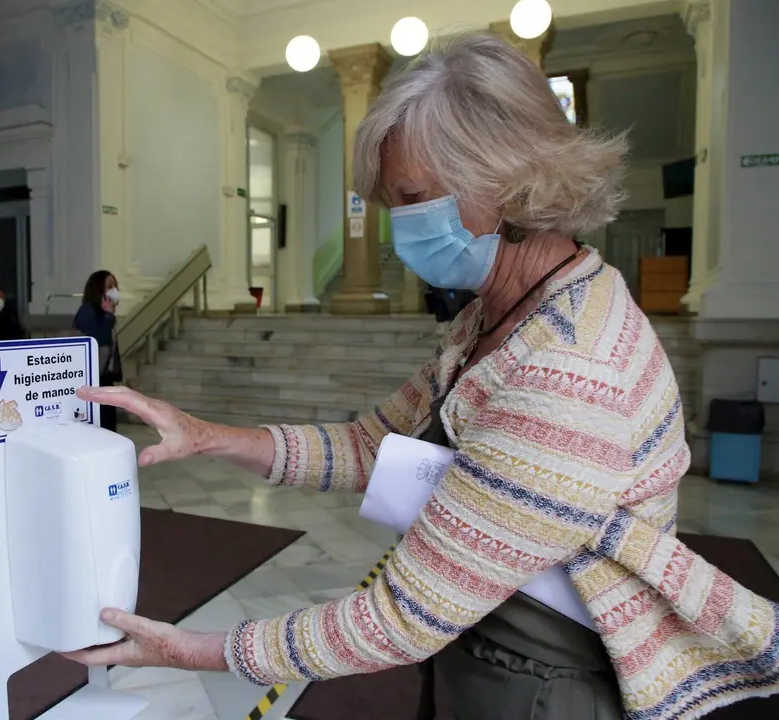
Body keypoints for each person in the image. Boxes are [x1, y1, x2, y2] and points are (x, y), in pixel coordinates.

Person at [63, 33, 779, 719]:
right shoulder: (501, 312)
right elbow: (376, 447)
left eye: (409, 199)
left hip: (541, 685)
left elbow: (399, 617)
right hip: (481, 641)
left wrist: (190, 650)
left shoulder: (567, 370)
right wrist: (206, 436)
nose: (395, 226)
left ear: (502, 180)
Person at [75, 270, 123, 432]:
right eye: (109, 286)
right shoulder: (87, 311)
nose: (114, 290)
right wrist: (109, 316)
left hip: (104, 379)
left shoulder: (105, 314)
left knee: (109, 426)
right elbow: (98, 340)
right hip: (93, 380)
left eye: (115, 286)